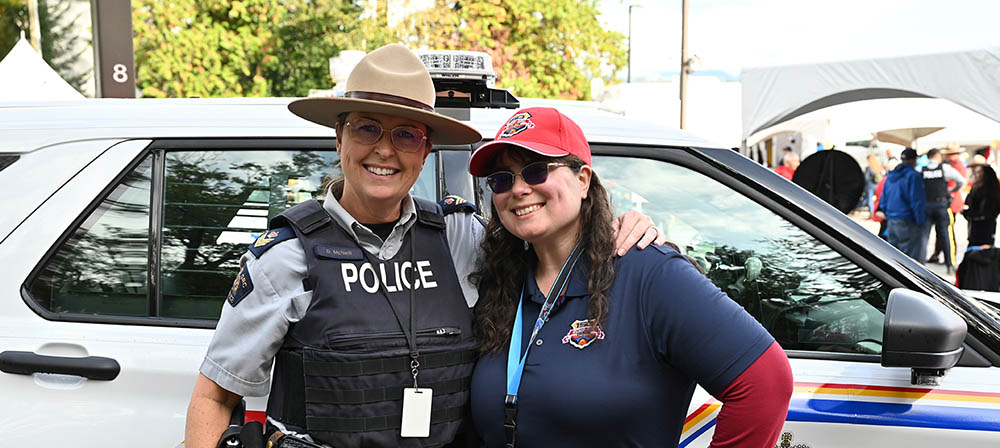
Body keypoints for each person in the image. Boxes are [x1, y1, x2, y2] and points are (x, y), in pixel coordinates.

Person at [184, 45, 664, 448]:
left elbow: (553, 250)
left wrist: (620, 227)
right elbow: (214, 397)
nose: (385, 150)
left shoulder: (460, 236)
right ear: (339, 138)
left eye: (406, 135)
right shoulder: (286, 256)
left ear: (426, 152)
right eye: (367, 127)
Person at [466, 107, 793, 447]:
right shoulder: (500, 282)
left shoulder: (649, 273)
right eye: (502, 179)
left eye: (535, 171)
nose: (518, 189)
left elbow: (766, 384)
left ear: (583, 180)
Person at [919, 148, 966, 273]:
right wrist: (951, 191)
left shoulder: (921, 170)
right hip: (941, 205)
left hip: (926, 205)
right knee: (946, 236)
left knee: (924, 237)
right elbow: (961, 181)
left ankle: (920, 265)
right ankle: (950, 265)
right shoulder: (944, 168)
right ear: (938, 156)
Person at [881, 147, 926, 260]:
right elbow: (917, 201)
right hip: (908, 221)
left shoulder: (890, 176)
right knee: (911, 261)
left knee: (894, 259)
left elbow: (884, 199)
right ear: (915, 160)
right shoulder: (913, 176)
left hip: (892, 221)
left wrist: (888, 215)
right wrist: (920, 222)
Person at [963, 164, 1000, 249]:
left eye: (979, 172)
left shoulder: (992, 190)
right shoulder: (975, 188)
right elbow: (968, 203)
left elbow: (991, 210)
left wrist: (973, 214)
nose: (976, 175)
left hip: (986, 225)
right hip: (974, 225)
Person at [863, 154, 885, 218]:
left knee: (870, 199)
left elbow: (866, 178)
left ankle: (871, 213)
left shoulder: (868, 168)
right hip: (878, 185)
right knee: (878, 199)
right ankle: (877, 212)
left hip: (870, 186)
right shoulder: (879, 167)